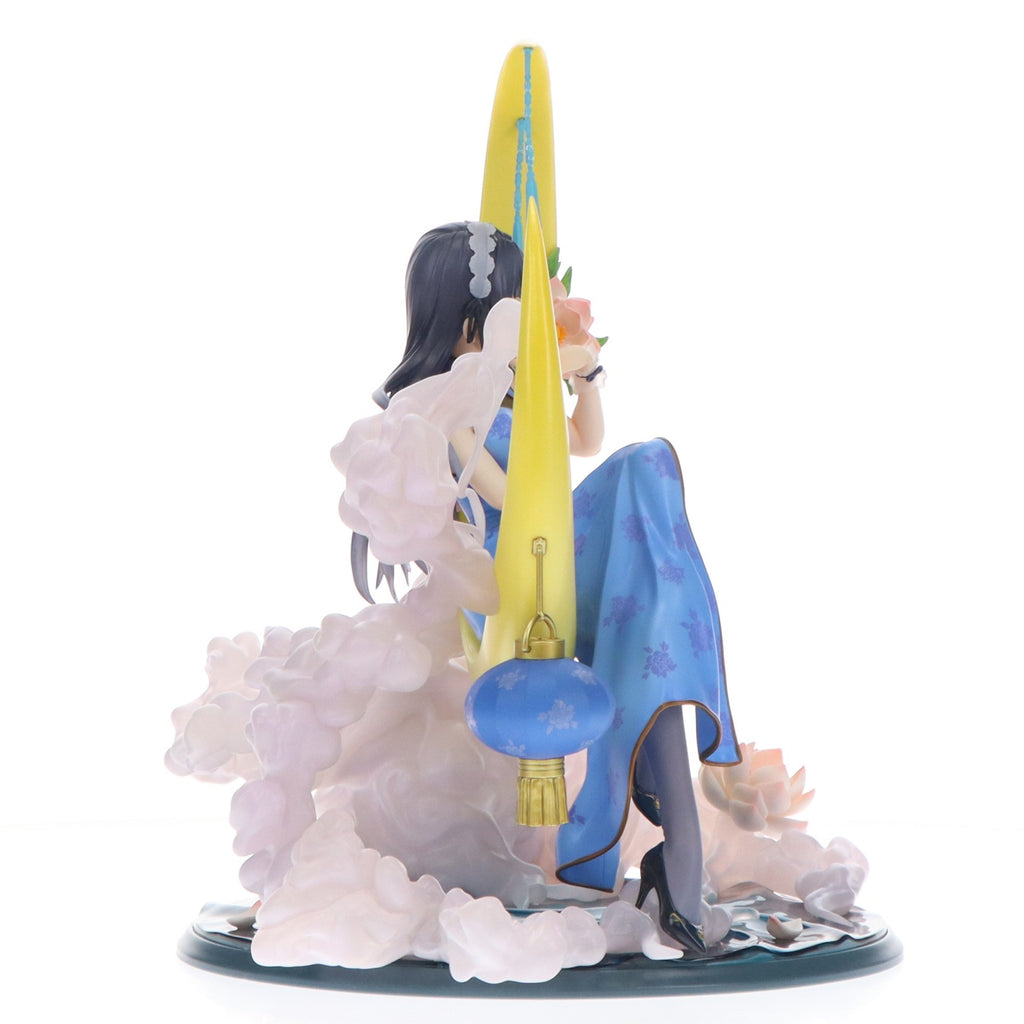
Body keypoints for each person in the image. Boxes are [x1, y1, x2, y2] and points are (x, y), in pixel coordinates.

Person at [370, 220, 740, 952]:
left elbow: (584, 441)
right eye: (513, 311)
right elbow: (511, 496)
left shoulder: (501, 393)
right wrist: (536, 374)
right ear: (472, 325)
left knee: (647, 474)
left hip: (562, 559)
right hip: (522, 582)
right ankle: (676, 858)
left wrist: (581, 376)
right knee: (644, 475)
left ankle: (675, 852)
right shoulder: (445, 409)